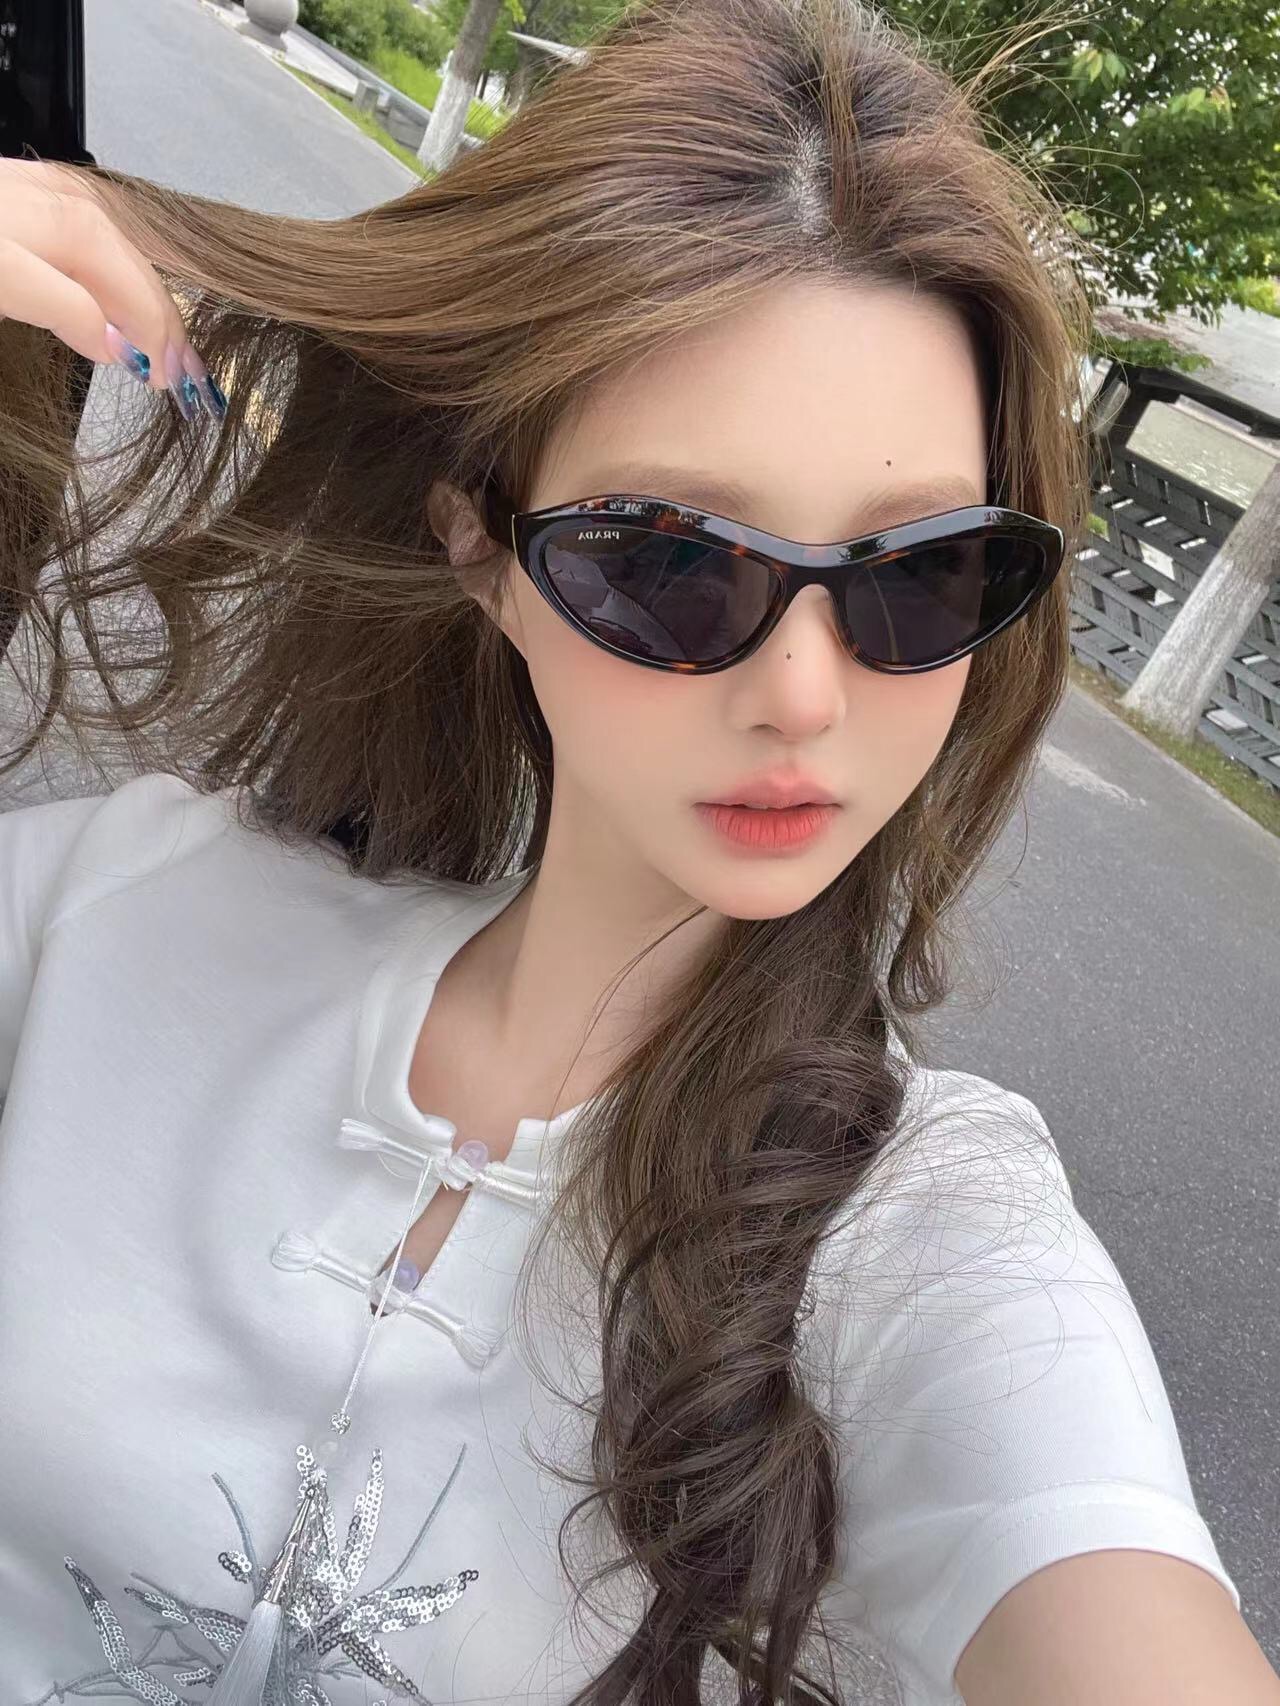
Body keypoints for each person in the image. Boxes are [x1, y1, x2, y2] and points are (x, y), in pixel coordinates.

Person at [0, 1, 1272, 1702]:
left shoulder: (928, 1236)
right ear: (483, 547)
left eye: (920, 575)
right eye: (671, 560)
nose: (802, 693)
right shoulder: (114, 914)